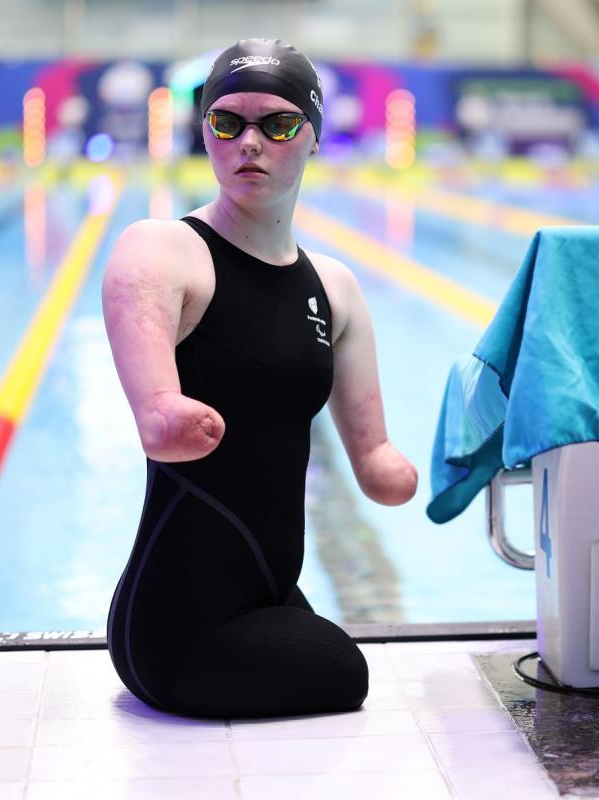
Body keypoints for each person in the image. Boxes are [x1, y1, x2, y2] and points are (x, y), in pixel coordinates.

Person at [102, 38, 417, 719]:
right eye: (227, 122)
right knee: (345, 674)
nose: (250, 141)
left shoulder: (335, 287)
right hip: (176, 627)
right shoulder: (161, 250)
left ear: (312, 138)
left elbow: (376, 465)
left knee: (334, 659)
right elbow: (156, 419)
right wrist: (164, 414)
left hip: (267, 599)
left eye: (276, 124)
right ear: (205, 133)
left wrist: (416, 465)